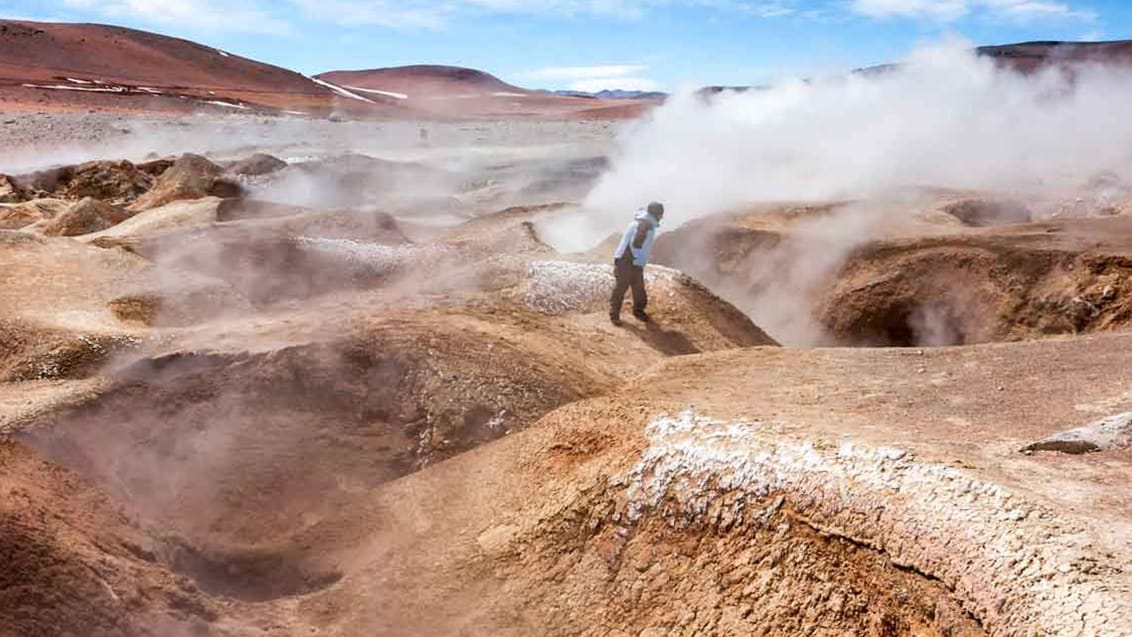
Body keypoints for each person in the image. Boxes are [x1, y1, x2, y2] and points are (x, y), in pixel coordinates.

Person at [610, 202, 664, 326]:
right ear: (656, 214)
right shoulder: (644, 225)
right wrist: (637, 259)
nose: (662, 217)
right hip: (628, 260)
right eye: (661, 214)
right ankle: (614, 315)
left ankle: (638, 311)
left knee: (638, 288)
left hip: (632, 260)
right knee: (621, 287)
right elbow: (636, 244)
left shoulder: (642, 222)